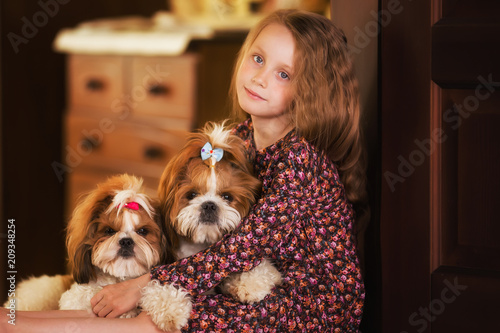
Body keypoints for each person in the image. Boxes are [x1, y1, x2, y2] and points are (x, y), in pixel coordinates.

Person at [2, 9, 367, 333]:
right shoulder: (238, 141)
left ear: (311, 91)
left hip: (309, 306)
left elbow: (241, 249)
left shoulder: (302, 161)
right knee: (161, 307)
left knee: (166, 316)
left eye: (283, 74)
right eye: (257, 58)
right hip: (249, 282)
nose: (260, 77)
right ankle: (15, 320)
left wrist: (144, 282)